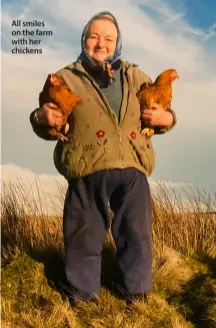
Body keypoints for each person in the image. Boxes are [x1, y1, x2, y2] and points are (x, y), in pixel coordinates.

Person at [30, 11, 177, 303]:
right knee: (83, 232)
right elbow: (42, 117)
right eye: (94, 36)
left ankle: (136, 294)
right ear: (84, 39)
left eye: (109, 38)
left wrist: (166, 118)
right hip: (86, 165)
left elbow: (162, 112)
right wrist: (41, 116)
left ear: (118, 42)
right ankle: (83, 295)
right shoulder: (66, 77)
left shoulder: (136, 76)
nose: (101, 43)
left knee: (137, 233)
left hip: (132, 164)